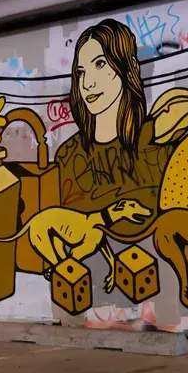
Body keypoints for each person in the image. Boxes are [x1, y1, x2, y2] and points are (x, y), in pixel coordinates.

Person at [55, 19, 169, 229]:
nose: (87, 83)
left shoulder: (158, 142)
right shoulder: (68, 157)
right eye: (81, 72)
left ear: (129, 67)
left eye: (100, 64)